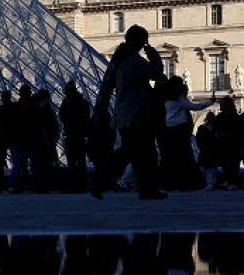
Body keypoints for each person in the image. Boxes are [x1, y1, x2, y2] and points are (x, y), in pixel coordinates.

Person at [95, 24, 167, 199]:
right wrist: (154, 56)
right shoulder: (135, 61)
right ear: (139, 42)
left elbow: (105, 88)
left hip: (123, 114)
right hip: (138, 115)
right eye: (143, 42)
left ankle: (143, 189)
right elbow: (157, 73)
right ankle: (103, 181)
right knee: (145, 153)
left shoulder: (117, 61)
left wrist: (100, 110)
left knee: (133, 152)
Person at [59, 80, 92, 193]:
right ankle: (83, 185)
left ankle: (73, 184)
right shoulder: (83, 102)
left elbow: (61, 117)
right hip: (81, 135)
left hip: (70, 134)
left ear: (69, 90)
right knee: (81, 160)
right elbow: (87, 119)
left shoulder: (66, 102)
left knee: (71, 161)